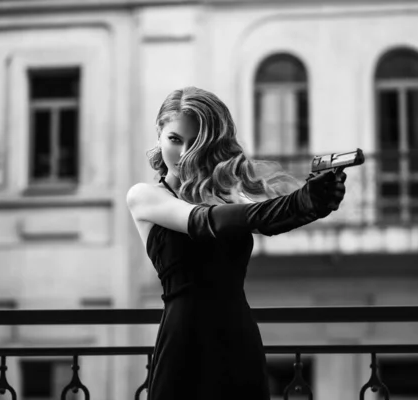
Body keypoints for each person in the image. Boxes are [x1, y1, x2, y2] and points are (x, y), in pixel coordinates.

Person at [126, 87, 346, 400]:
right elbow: (204, 222)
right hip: (185, 342)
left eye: (196, 142)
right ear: (159, 134)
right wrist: (301, 203)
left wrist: (316, 202)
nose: (185, 153)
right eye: (175, 139)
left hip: (237, 337)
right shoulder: (144, 196)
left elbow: (268, 219)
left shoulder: (230, 194)